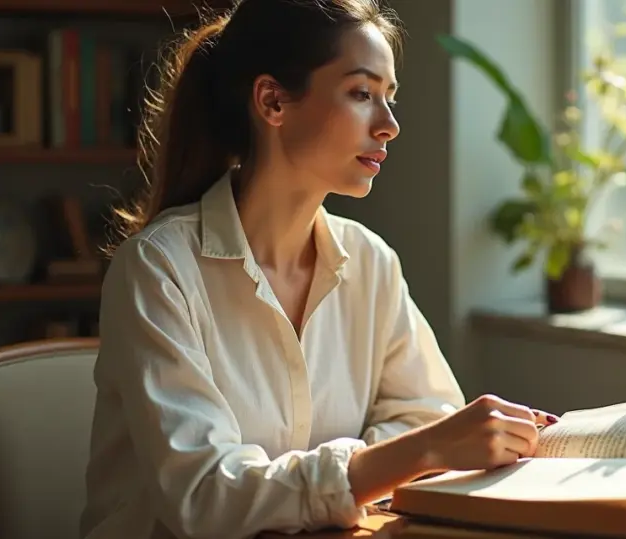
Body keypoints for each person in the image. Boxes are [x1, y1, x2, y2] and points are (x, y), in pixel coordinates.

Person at [79, 1, 557, 538]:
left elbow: (426, 413)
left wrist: (400, 455)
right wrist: (411, 453)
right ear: (272, 100)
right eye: (361, 94)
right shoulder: (158, 267)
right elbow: (206, 494)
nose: (390, 125)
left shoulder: (371, 262)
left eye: (389, 98)